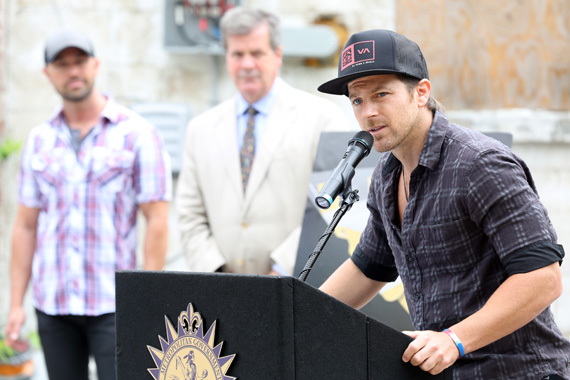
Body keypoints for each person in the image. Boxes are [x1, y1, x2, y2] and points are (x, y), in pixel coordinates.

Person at [317, 29, 570, 380]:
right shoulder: (387, 175)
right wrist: (298, 317)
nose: (369, 112)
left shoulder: (480, 164)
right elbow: (369, 268)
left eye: (382, 94)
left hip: (518, 372)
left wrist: (454, 340)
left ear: (421, 93)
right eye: (357, 100)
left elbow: (543, 279)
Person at [5, 29, 172, 380]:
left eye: (80, 61)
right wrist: (16, 304)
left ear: (95, 65)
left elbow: (156, 219)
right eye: (61, 64)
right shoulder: (39, 140)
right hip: (53, 304)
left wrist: (147, 298)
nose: (73, 71)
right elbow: (25, 225)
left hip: (114, 305)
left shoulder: (136, 133)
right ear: (48, 73)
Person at [175, 7, 350, 276]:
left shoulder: (323, 119)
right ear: (227, 57)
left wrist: (281, 271)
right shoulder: (200, 129)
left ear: (277, 54)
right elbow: (190, 215)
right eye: (237, 54)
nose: (247, 64)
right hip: (222, 293)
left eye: (256, 53)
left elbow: (330, 205)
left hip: (297, 287)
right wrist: (217, 274)